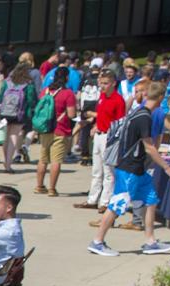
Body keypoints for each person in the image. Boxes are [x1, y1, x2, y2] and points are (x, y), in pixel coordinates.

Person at [91, 81, 170, 258]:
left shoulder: (137, 112)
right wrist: (167, 167)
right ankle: (97, 241)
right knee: (118, 204)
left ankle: (150, 241)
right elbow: (150, 147)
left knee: (151, 199)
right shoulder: (144, 117)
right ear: (161, 98)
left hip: (136, 168)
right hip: (129, 168)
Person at [78, 71, 125, 210]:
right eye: (101, 83)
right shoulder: (103, 97)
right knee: (96, 169)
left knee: (108, 171)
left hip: (109, 136)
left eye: (105, 83)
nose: (102, 86)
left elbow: (119, 122)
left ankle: (105, 202)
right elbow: (102, 115)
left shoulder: (118, 100)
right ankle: (92, 199)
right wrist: (95, 125)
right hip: (99, 134)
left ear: (113, 83)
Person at [35, 68, 76, 196]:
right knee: (56, 160)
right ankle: (52, 189)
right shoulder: (68, 93)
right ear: (67, 78)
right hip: (60, 129)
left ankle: (39, 186)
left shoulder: (45, 92)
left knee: (43, 159)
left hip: (45, 129)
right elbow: (71, 114)